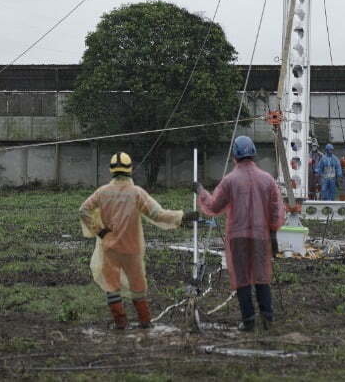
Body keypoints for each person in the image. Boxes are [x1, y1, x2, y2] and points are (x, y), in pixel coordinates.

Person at [78, 151, 194, 329]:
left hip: (109, 248)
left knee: (111, 287)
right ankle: (145, 322)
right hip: (132, 250)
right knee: (138, 288)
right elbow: (157, 215)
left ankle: (120, 323)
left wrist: (99, 232)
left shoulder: (102, 192)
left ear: (111, 170)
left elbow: (83, 210)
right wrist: (182, 217)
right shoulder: (137, 193)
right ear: (129, 170)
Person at [197, 136, 285, 332]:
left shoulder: (229, 181)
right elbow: (275, 210)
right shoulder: (267, 179)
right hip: (261, 236)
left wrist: (201, 192)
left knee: (242, 278)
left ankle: (248, 320)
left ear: (235, 156)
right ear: (253, 153)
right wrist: (273, 235)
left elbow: (214, 205)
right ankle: (267, 317)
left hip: (238, 237)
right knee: (262, 277)